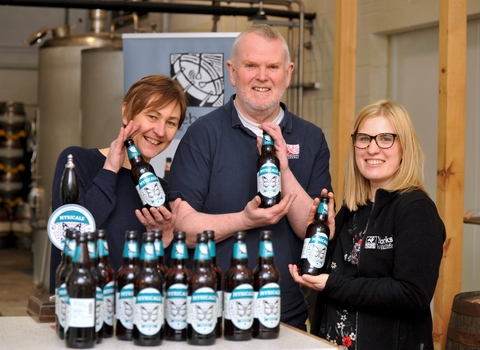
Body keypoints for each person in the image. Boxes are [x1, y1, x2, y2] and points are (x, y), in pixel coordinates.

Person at [146, 24, 333, 330]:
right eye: (251, 66)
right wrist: (245, 220)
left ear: (288, 73)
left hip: (284, 311)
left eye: (273, 67)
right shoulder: (203, 135)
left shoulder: (311, 138)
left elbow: (312, 230)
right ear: (232, 72)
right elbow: (182, 227)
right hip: (212, 311)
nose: (262, 76)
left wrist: (283, 168)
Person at [289, 100, 446, 350]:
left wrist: (333, 284)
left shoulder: (415, 208)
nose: (372, 149)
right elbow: (333, 273)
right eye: (364, 138)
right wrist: (325, 239)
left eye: (385, 138)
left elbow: (413, 294)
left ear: (404, 147)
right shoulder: (352, 208)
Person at [49, 74, 187, 294]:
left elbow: (166, 278)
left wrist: (166, 240)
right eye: (152, 116)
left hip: (132, 318)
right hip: (79, 310)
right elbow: (70, 237)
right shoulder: (75, 162)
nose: (160, 131)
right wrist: (110, 171)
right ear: (126, 112)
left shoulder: (161, 191)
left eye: (171, 122)